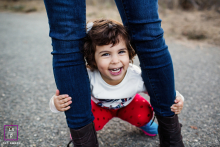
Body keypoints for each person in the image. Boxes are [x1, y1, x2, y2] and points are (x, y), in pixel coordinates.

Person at [44, 0, 184, 146]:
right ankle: (82, 136)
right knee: (67, 40)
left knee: (144, 114)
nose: (115, 60)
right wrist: (55, 103)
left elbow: (158, 87)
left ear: (129, 53)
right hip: (100, 108)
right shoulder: (87, 76)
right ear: (93, 58)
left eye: (121, 52)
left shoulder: (135, 75)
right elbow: (67, 100)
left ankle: (148, 125)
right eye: (105, 54)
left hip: (128, 105)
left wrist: (177, 98)